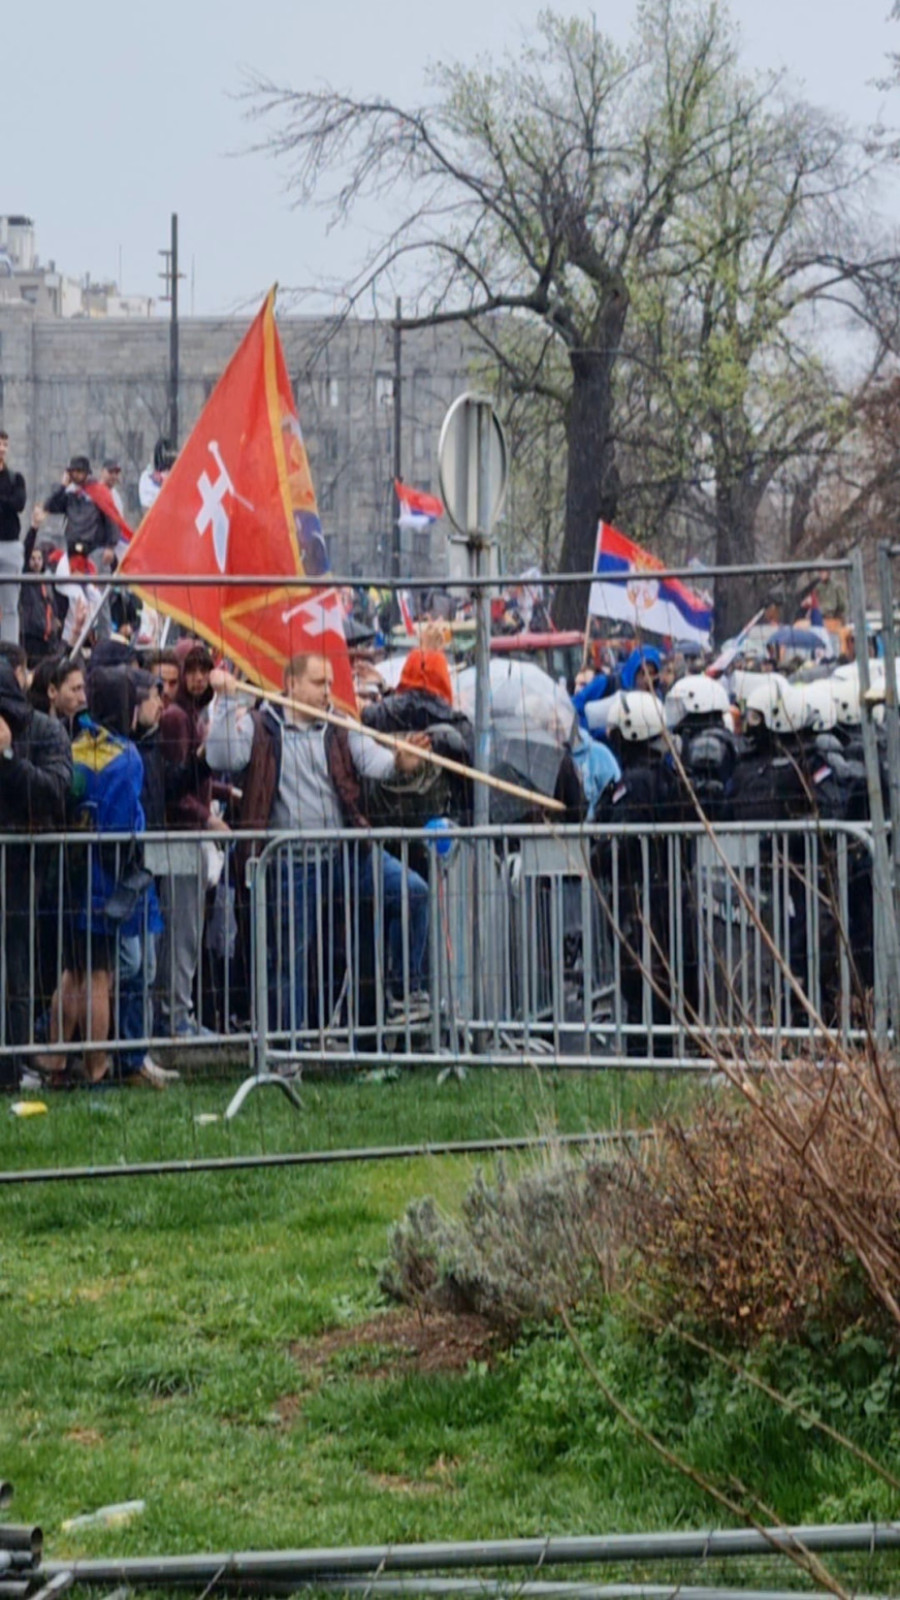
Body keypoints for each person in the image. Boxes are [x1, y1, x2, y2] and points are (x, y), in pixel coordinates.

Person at [205, 653, 430, 1033]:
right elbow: (221, 755)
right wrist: (226, 703)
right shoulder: (260, 725)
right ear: (291, 684)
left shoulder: (339, 725)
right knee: (290, 959)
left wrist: (399, 761)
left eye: (329, 683)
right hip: (292, 862)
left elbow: (373, 761)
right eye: (318, 683)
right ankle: (288, 1047)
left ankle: (406, 993)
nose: (328, 691)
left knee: (413, 892)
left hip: (347, 854)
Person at [0, 658, 72, 1089]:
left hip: (25, 871)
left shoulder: (45, 732)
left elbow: (55, 792)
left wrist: (7, 760)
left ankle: (12, 1062)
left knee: (18, 964)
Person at [156, 639, 229, 1037]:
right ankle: (175, 1016)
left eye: (205, 669)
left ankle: (179, 1012)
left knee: (188, 931)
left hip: (192, 834)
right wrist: (207, 818)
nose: (199, 678)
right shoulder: (177, 718)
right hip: (182, 837)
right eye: (192, 670)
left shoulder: (193, 715)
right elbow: (174, 787)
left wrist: (222, 794)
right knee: (182, 931)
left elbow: (195, 778)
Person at [43, 456, 119, 566]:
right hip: (73, 550)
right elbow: (50, 506)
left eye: (79, 471)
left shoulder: (99, 493)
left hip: (95, 550)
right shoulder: (70, 497)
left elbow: (112, 520)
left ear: (86, 473)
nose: (76, 475)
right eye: (72, 472)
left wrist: (110, 546)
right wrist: (63, 486)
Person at [0, 430, 26, 645]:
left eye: (5, 445)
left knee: (10, 606)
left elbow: (19, 503)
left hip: (9, 545)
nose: (2, 449)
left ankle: (9, 651)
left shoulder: (14, 478)